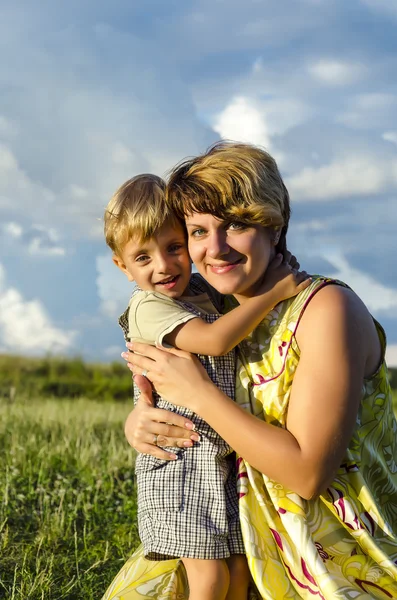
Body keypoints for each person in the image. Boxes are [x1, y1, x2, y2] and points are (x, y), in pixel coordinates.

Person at [103, 142, 397, 600]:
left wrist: (200, 396)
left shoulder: (324, 308)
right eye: (197, 231)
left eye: (236, 225)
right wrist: (144, 418)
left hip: (338, 563)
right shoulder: (220, 314)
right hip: (241, 544)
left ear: (273, 227)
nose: (214, 248)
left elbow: (305, 473)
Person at [103, 173, 310, 600]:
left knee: (238, 572)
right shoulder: (148, 306)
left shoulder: (201, 292)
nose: (164, 265)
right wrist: (272, 294)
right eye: (143, 258)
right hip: (179, 464)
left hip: (219, 458)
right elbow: (216, 340)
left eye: (174, 247)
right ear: (122, 267)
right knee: (210, 579)